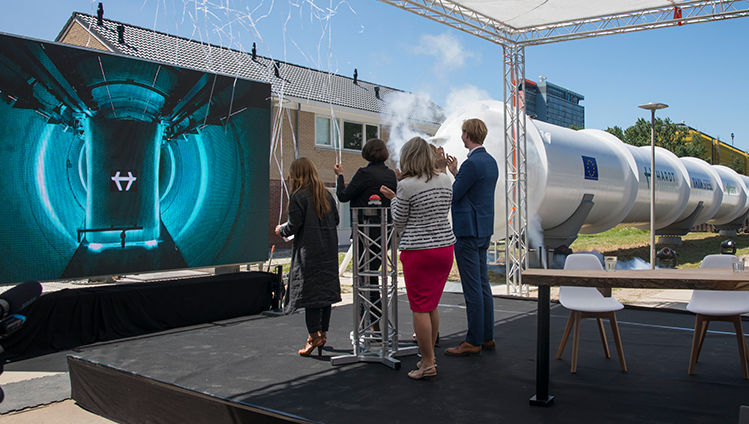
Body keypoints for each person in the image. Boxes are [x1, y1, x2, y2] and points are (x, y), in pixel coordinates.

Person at [380, 137, 455, 380]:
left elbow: (399, 222)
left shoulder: (406, 185)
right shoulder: (445, 179)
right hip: (444, 249)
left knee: (420, 307)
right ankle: (428, 357)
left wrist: (394, 200)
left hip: (419, 252)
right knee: (431, 304)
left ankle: (428, 363)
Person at [444, 118, 499, 357]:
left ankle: (473, 340)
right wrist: (457, 172)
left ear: (466, 134)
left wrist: (443, 174)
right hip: (483, 229)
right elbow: (473, 191)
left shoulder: (472, 164)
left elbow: (454, 196)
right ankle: (487, 336)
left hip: (467, 231)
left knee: (472, 288)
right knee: (483, 284)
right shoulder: (490, 162)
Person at [276, 157, 342, 357]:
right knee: (325, 295)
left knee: (312, 296)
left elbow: (293, 226)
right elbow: (337, 220)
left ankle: (313, 336)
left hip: (309, 253)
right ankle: (322, 333)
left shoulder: (298, 196)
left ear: (296, 174)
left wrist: (281, 230)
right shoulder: (326, 195)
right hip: (329, 251)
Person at [334, 138, 397, 333]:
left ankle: (370, 324)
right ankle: (373, 323)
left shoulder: (364, 173)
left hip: (365, 233)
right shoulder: (390, 175)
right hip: (386, 233)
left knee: (364, 279)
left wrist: (340, 176)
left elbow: (343, 196)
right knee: (375, 277)